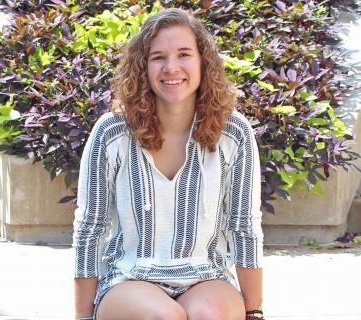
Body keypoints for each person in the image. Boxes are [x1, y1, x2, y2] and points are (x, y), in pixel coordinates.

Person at [73, 8, 264, 320]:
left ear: (204, 62)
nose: (171, 67)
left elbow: (244, 226)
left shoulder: (234, 133)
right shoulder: (112, 132)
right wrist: (82, 316)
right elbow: (90, 229)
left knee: (211, 316)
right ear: (143, 67)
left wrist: (254, 312)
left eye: (184, 54)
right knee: (164, 317)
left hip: (207, 276)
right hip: (130, 278)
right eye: (157, 57)